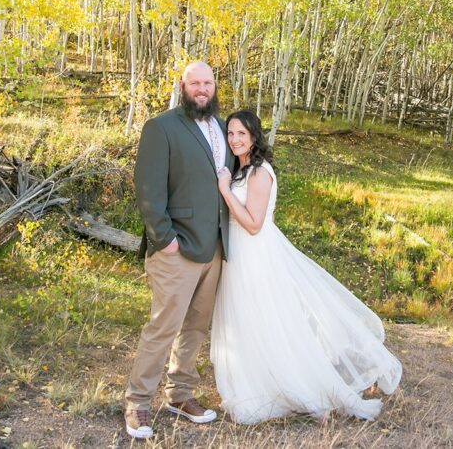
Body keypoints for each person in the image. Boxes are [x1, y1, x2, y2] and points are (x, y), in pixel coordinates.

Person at [211, 110, 402, 424]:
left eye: (241, 134)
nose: (234, 140)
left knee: (269, 322)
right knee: (249, 322)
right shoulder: (242, 169)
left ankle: (303, 388)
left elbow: (254, 224)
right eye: (230, 134)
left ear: (254, 136)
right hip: (240, 257)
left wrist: (224, 190)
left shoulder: (259, 172)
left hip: (256, 254)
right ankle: (260, 379)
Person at [123, 61, 235, 440]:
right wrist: (164, 239)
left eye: (208, 83)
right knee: (163, 325)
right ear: (183, 86)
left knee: (196, 326)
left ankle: (180, 394)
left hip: (215, 247)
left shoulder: (223, 127)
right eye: (195, 83)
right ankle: (138, 401)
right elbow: (148, 189)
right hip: (176, 248)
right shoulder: (162, 127)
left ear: (215, 87)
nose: (202, 89)